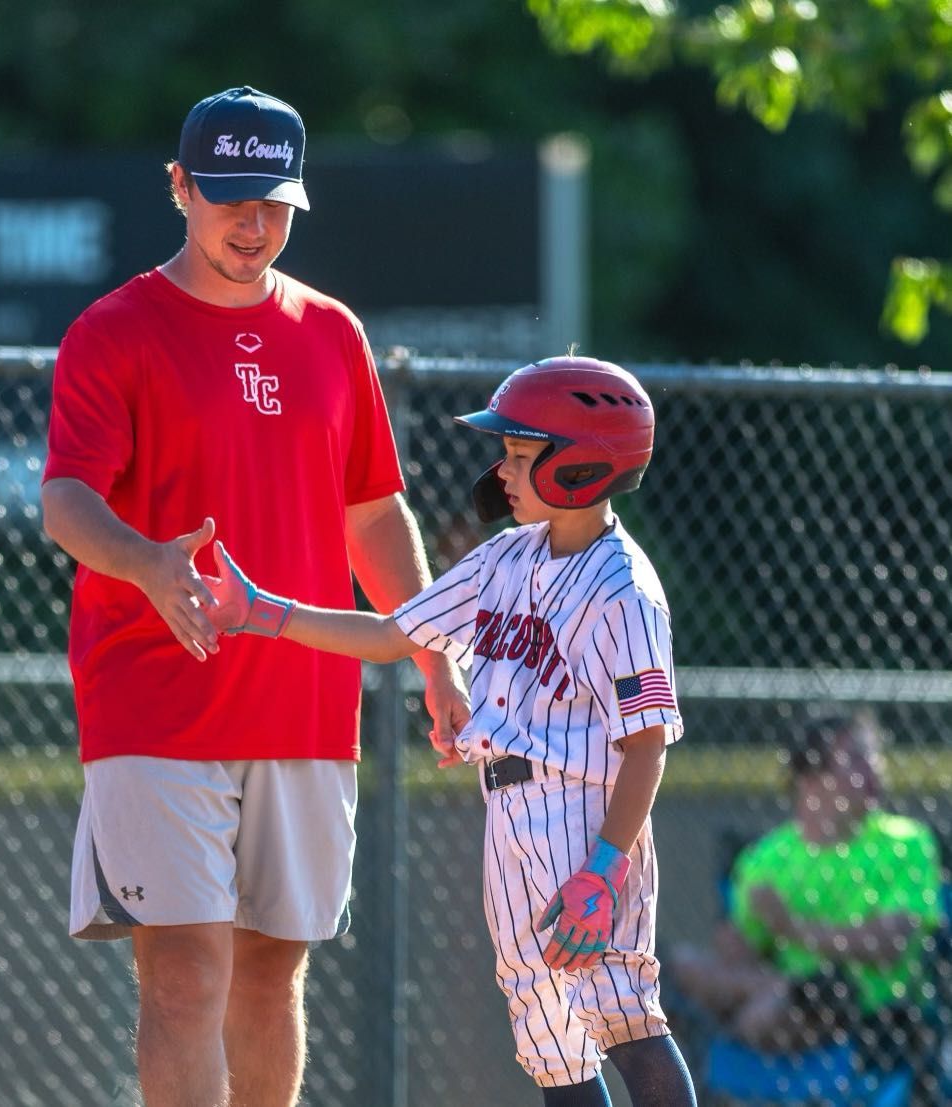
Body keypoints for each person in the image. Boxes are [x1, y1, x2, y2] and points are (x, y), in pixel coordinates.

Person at [39, 86, 469, 1107]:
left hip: (306, 702)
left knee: (273, 975)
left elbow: (372, 513)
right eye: (230, 197)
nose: (253, 223)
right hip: (155, 696)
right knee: (185, 975)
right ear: (181, 188)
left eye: (273, 202)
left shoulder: (331, 332)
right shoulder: (115, 329)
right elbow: (65, 501)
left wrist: (430, 648)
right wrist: (149, 564)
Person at [203, 356, 699, 1106]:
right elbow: (396, 632)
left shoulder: (622, 589)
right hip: (507, 816)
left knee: (622, 1010)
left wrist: (604, 868)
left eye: (521, 455)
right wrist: (264, 613)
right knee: (548, 1034)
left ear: (581, 467)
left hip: (586, 817)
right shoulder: (504, 557)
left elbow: (648, 743)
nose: (501, 468)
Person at [670, 712, 947, 1103]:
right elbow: (736, 953)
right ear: (810, 777)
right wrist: (742, 937)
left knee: (811, 997)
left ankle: (752, 1013)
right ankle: (766, 1002)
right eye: (856, 758)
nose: (875, 769)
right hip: (776, 997)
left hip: (861, 1014)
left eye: (874, 757)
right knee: (680, 964)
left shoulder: (906, 843)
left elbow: (892, 941)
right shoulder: (768, 856)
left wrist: (794, 931)